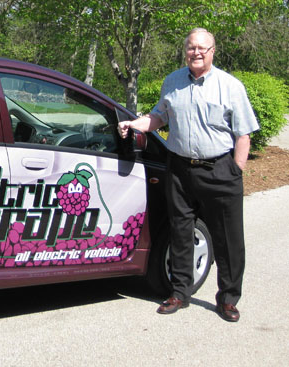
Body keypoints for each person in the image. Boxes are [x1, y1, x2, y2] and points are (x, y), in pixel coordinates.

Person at [117, 28, 259, 322]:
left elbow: (243, 134)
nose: (196, 52)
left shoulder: (230, 86)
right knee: (180, 232)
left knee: (228, 239)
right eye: (191, 47)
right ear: (186, 51)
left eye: (202, 48)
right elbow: (159, 117)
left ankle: (229, 298)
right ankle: (180, 292)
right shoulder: (173, 81)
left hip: (220, 169)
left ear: (213, 51)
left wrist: (236, 170)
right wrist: (136, 125)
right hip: (180, 169)